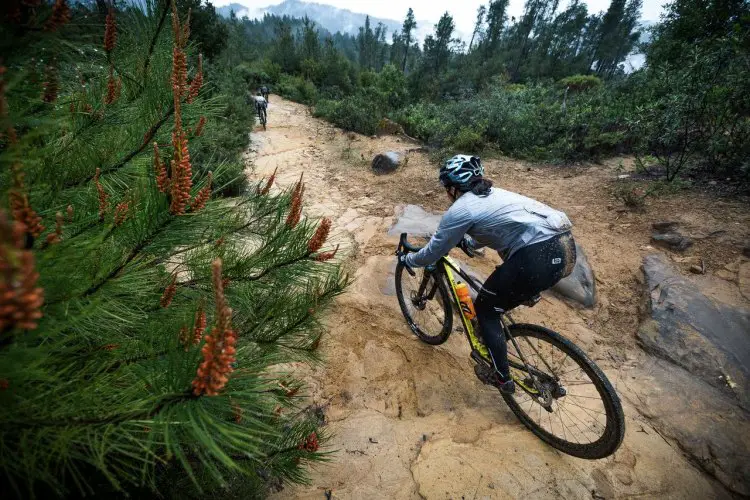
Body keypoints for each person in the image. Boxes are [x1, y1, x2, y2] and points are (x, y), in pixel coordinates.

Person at [400, 155, 576, 394]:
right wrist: (468, 242)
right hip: (564, 249)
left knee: (485, 309)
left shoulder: (460, 210)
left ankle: (503, 378)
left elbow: (432, 253)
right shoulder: (495, 195)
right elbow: (496, 231)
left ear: (452, 187)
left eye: (445, 188)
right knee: (504, 294)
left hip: (536, 256)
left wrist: (408, 258)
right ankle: (525, 295)